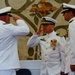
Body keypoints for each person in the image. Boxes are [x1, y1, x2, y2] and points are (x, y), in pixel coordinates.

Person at [0, 6, 30, 75]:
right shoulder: (7, 28)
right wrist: (19, 20)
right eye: (9, 16)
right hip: (6, 67)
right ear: (5, 17)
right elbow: (25, 30)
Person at [61, 3, 75, 75]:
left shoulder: (73, 24)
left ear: (70, 12)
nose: (63, 15)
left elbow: (73, 44)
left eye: (64, 12)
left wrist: (73, 62)